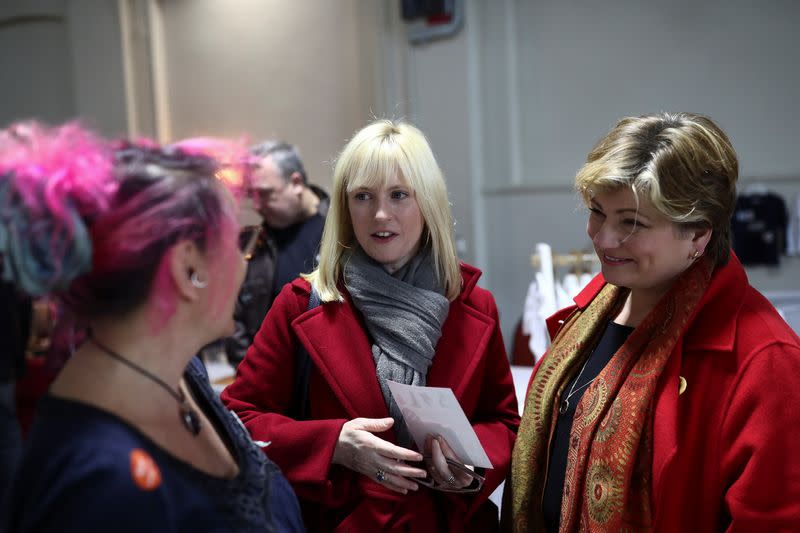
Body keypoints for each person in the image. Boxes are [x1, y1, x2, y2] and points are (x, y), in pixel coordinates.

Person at [0, 122, 304, 532]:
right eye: (238, 240)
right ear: (187, 267)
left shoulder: (181, 372)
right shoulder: (99, 481)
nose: (242, 261)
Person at [504, 112, 800, 532]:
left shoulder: (766, 361)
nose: (603, 238)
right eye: (597, 212)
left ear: (698, 235)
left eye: (632, 223)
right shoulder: (591, 313)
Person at [222, 119, 520, 531]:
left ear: (427, 202)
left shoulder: (473, 304)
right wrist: (334, 445)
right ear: (346, 207)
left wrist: (471, 465)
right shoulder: (301, 303)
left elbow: (503, 423)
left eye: (399, 195)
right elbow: (237, 418)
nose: (380, 214)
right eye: (363, 196)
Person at [225, 140, 329, 366]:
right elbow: (235, 320)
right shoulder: (253, 243)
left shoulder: (342, 227)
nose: (257, 205)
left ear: (296, 183)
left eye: (265, 193)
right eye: (252, 195)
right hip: (271, 385)